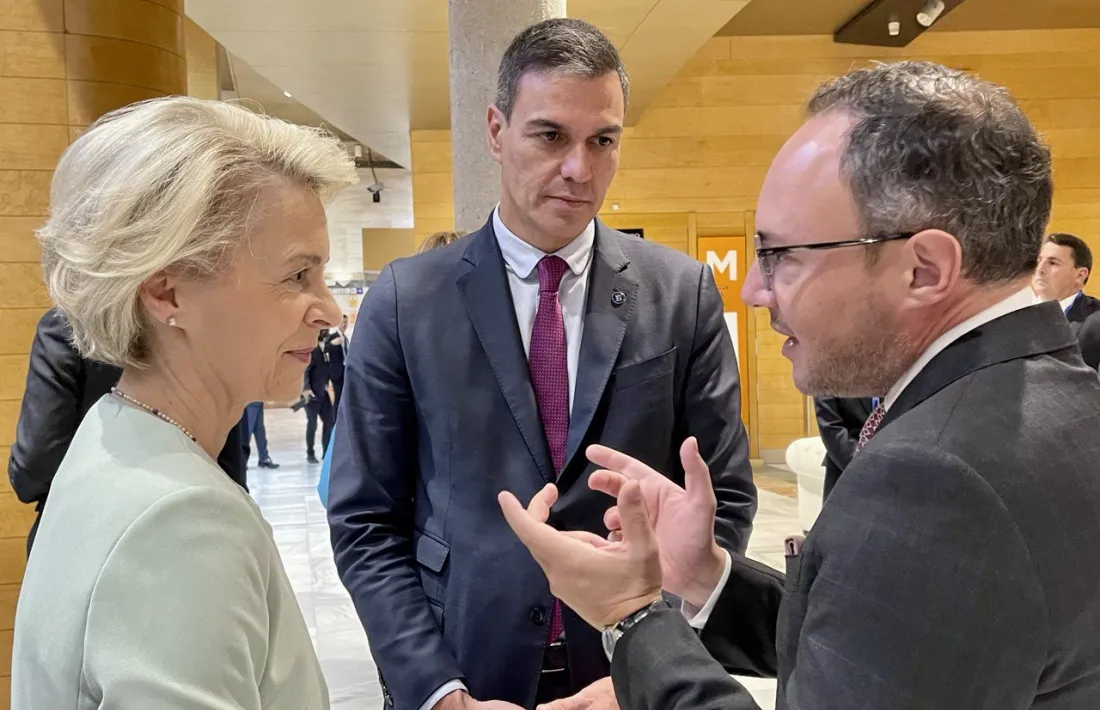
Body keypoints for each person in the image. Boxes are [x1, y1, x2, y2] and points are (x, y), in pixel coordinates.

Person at [499, 61, 1100, 709]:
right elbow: (889, 637)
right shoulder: (1056, 400)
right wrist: (708, 576)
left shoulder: (936, 477)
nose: (755, 291)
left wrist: (633, 616)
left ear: (924, 269)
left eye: (782, 254)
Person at [328, 18, 757, 710]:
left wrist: (648, 664)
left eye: (603, 140)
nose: (579, 169)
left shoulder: (680, 293)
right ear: (496, 132)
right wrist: (439, 692)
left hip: (626, 669)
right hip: (463, 660)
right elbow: (365, 520)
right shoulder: (408, 300)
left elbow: (719, 501)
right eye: (551, 135)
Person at [12, 96, 357, 708]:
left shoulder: (112, 433)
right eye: (296, 276)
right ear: (169, 292)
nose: (328, 310)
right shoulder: (184, 520)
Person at [8, 308, 247, 556]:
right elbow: (231, 470)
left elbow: (36, 464)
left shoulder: (69, 325)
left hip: (80, 539)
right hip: (198, 533)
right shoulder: (205, 323)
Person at [1033, 233, 1100, 369]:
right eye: (1038, 261)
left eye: (1052, 263)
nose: (1040, 269)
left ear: (1080, 275)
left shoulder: (1096, 322)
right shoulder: (1010, 315)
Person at [812, 395, 874, 494]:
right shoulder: (827, 379)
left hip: (892, 468)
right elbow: (830, 428)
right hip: (844, 466)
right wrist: (862, 467)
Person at [304, 330, 334, 464]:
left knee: (329, 421)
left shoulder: (324, 348)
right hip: (312, 395)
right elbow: (305, 370)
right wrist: (306, 388)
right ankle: (310, 453)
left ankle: (326, 451)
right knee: (312, 424)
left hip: (323, 393)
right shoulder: (312, 350)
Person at [241, 400, 279, 469]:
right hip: (250, 403)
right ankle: (241, 461)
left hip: (258, 403)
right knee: (247, 433)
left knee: (260, 432)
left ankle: (264, 459)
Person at [327, 314, 349, 418]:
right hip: (336, 373)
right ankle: (336, 421)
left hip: (345, 373)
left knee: (344, 398)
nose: (344, 324)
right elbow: (323, 350)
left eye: (346, 322)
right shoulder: (332, 337)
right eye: (343, 322)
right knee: (337, 398)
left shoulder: (346, 338)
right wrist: (332, 344)